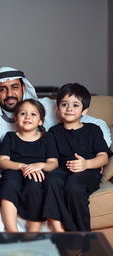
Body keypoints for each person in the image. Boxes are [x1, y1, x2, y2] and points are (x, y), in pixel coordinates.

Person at [42, 83, 112, 232]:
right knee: (51, 180)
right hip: (62, 169)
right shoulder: (53, 132)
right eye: (64, 104)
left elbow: (103, 157)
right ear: (58, 109)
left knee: (73, 187)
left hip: (87, 170)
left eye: (75, 105)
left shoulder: (93, 129)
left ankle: (82, 234)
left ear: (84, 110)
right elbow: (53, 160)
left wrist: (87, 164)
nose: (69, 108)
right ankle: (61, 228)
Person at [0, 66, 112, 146]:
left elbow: (95, 124)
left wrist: (96, 157)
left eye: (14, 87)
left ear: (23, 88)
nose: (10, 94)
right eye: (2, 89)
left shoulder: (45, 106)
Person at [0, 99, 59, 232]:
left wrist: (40, 165)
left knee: (35, 184)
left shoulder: (47, 138)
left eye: (33, 114)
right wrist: (22, 166)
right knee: (9, 185)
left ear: (41, 121)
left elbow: (53, 164)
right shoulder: (10, 137)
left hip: (38, 172)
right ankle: (12, 231)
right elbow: (3, 161)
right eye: (23, 113)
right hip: (15, 170)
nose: (28, 117)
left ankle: (33, 229)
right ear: (15, 119)